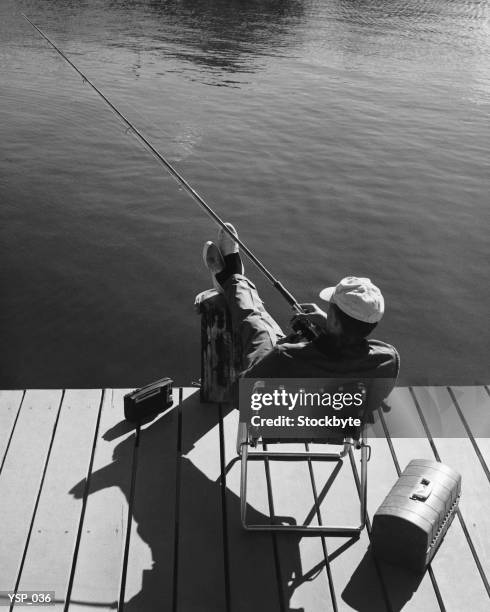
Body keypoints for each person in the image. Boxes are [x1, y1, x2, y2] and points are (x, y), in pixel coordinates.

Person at [203, 222, 399, 410]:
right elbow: (351, 357)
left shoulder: (284, 356)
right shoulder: (387, 360)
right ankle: (232, 280)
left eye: (330, 309)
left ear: (337, 322)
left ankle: (232, 279)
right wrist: (326, 324)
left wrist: (282, 348)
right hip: (338, 427)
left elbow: (241, 397)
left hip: (276, 423)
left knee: (258, 324)